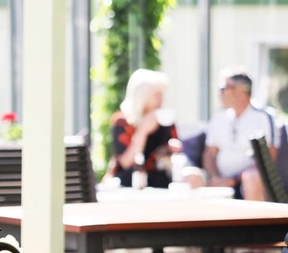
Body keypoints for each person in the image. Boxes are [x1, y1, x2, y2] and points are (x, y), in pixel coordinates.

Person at [193, 68, 277, 200]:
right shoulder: (218, 116)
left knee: (252, 177)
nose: (219, 94)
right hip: (218, 179)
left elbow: (267, 158)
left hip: (246, 181)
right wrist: (215, 177)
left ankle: (254, 220)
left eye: (223, 88)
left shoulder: (263, 117)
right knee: (192, 176)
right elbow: (210, 153)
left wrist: (233, 179)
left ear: (241, 90)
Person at [109, 68, 181, 188]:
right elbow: (126, 162)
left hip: (161, 183)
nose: (161, 100)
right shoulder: (122, 122)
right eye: (157, 95)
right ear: (142, 96)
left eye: (162, 95)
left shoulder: (165, 121)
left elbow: (173, 151)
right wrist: (143, 131)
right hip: (128, 183)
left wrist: (171, 149)